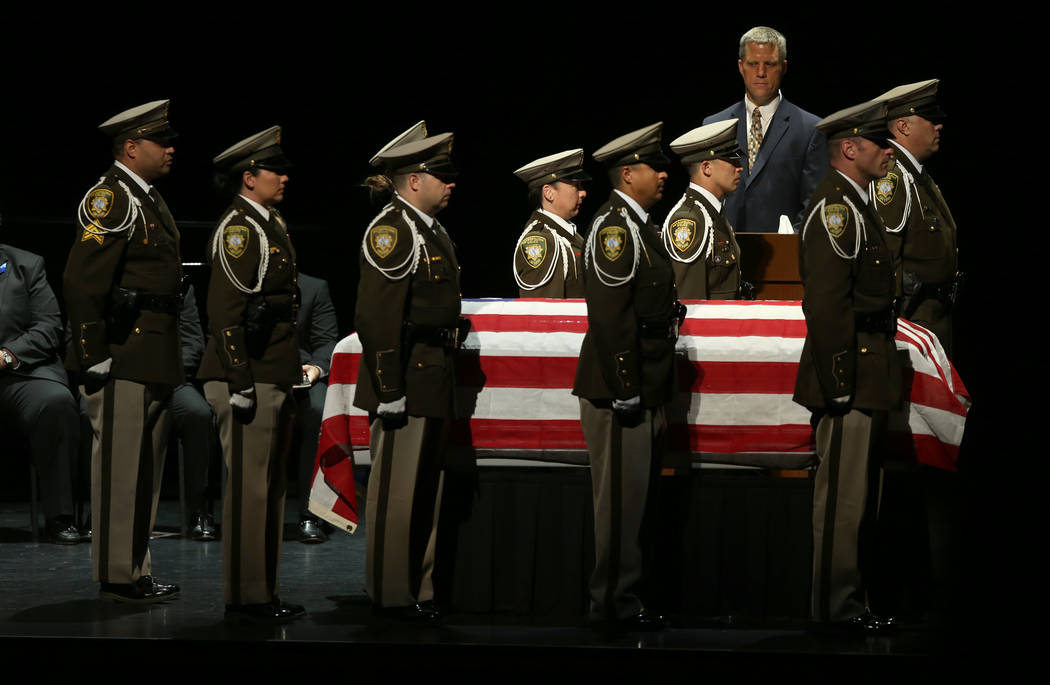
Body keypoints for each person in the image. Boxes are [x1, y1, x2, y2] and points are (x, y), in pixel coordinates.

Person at [65, 100, 182, 603]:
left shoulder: (147, 196)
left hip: (149, 352)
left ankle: (135, 568)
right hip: (120, 352)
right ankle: (117, 573)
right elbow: (82, 280)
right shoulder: (110, 197)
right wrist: (93, 354)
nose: (171, 148)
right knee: (119, 468)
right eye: (162, 141)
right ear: (131, 148)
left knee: (143, 471)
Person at [792, 98, 899, 631]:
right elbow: (828, 304)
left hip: (867, 368)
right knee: (843, 497)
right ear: (850, 148)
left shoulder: (857, 205)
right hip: (849, 370)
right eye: (880, 142)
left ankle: (850, 601)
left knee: (862, 496)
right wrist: (839, 382)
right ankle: (836, 607)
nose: (889, 150)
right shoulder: (836, 208)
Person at [572, 122, 682, 631]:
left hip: (645, 380)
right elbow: (611, 315)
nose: (663, 174)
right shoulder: (615, 227)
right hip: (622, 384)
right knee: (618, 502)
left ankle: (626, 595)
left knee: (634, 501)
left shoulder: (639, 225)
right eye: (653, 167)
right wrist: (626, 386)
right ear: (627, 172)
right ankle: (612, 602)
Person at [355, 126, 461, 622]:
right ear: (414, 180)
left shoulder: (428, 229)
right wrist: (389, 387)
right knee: (396, 496)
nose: (451, 183)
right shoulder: (393, 229)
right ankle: (389, 594)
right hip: (406, 378)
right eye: (442, 175)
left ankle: (419, 588)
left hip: (432, 375)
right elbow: (377, 317)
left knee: (424, 494)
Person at [198, 126, 303, 623]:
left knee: (268, 488)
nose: (284, 176)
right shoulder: (240, 228)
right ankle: (245, 597)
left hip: (269, 370)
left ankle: (262, 592)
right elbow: (227, 310)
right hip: (248, 374)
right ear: (248, 177)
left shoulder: (267, 221)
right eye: (274, 170)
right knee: (249, 491)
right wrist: (240, 380)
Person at [702, 26, 827, 233]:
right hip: (725, 255)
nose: (761, 72)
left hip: (783, 256)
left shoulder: (810, 129)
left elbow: (814, 205)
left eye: (769, 64)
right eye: (753, 64)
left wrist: (788, 247)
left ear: (784, 67)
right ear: (741, 66)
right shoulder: (714, 127)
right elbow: (705, 195)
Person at [869, 79, 958, 357]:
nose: (938, 125)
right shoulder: (893, 176)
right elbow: (887, 255)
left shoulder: (917, 175)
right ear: (903, 126)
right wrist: (891, 329)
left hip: (930, 319)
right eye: (929, 118)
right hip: (911, 323)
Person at [0, 240, 81, 544]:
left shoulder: (27, 265)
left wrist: (6, 355)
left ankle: (60, 516)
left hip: (20, 371)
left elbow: (48, 326)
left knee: (55, 402)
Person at [662, 119, 749, 299]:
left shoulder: (711, 212)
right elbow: (690, 303)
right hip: (706, 326)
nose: (740, 167)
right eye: (732, 161)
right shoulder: (689, 219)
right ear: (707, 168)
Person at [170, 284, 219, 540]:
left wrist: (170, 371)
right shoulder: (108, 274)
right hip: (123, 379)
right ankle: (99, 512)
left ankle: (199, 511)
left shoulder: (180, 285)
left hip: (171, 379)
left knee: (198, 413)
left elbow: (192, 341)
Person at [293, 272, 339, 543]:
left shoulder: (313, 287)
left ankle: (311, 514)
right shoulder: (244, 282)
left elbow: (325, 340)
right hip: (261, 373)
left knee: (318, 410)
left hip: (302, 373)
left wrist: (317, 368)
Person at [512, 149, 589, 297]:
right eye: (576, 186)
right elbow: (544, 314)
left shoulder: (567, 234)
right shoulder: (541, 241)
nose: (583, 193)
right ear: (549, 193)